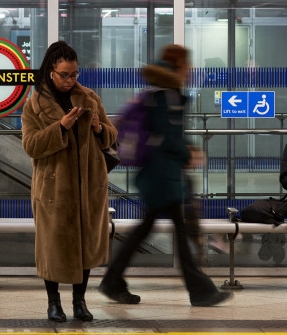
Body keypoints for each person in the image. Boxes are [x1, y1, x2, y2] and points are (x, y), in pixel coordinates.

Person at [99, 44, 233, 307]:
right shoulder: (168, 95)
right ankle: (200, 291)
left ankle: (113, 280)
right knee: (179, 231)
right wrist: (188, 154)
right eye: (187, 64)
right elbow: (167, 139)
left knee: (149, 227)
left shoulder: (159, 92)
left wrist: (184, 150)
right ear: (179, 66)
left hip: (158, 174)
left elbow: (164, 136)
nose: (190, 69)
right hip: (163, 176)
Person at [21, 41, 117, 322]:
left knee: (85, 245)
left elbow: (111, 135)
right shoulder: (34, 105)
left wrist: (100, 129)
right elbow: (30, 146)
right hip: (54, 189)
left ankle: (79, 301)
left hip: (89, 186)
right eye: (65, 74)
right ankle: (53, 302)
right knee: (53, 247)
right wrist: (60, 127)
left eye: (74, 74)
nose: (70, 80)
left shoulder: (89, 98)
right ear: (51, 71)